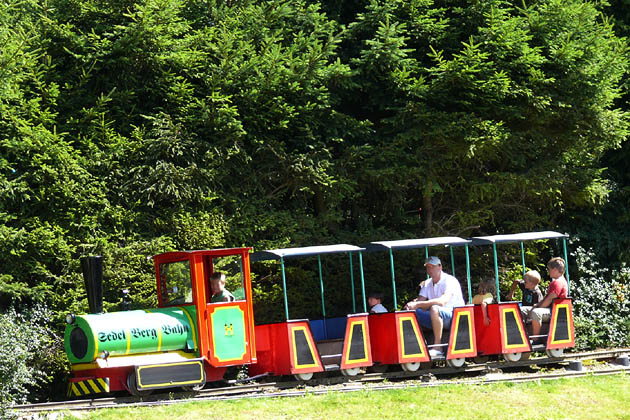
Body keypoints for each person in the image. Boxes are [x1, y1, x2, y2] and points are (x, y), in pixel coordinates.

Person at [403, 256, 465, 357]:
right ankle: (415, 346)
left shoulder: (450, 281)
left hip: (455, 317)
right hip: (436, 316)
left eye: (432, 267)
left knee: (435, 308)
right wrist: (411, 305)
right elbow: (420, 300)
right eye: (428, 267)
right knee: (412, 312)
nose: (429, 270)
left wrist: (418, 304)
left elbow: (442, 301)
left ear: (440, 267)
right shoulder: (427, 283)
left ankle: (438, 346)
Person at [522, 258, 568, 344]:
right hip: (550, 309)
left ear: (555, 269)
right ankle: (523, 336)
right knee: (521, 310)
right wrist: (536, 305)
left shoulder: (558, 282)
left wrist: (536, 308)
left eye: (549, 269)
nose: (548, 271)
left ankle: (536, 339)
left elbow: (550, 299)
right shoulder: (556, 282)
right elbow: (547, 298)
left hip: (555, 311)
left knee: (536, 313)